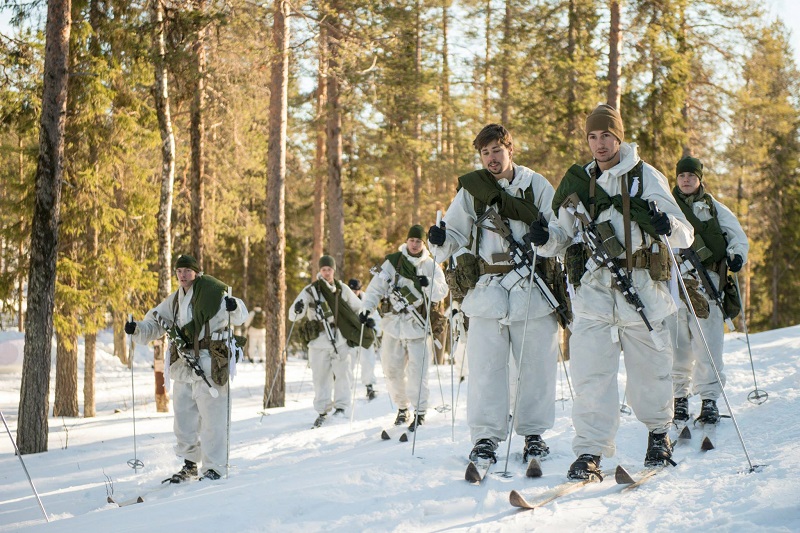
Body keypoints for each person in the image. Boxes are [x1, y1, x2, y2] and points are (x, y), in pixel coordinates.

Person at [529, 104, 694, 479]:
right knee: (590, 375)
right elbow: (561, 235)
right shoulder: (579, 182)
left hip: (642, 287)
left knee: (651, 370)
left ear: (618, 136)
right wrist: (544, 239)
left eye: (606, 135)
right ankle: (589, 450)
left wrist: (666, 224)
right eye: (592, 136)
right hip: (593, 291)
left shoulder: (643, 177)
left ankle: (658, 435)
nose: (599, 144)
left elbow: (684, 233)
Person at [427, 123, 561, 466]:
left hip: (532, 286)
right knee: (486, 368)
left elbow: (560, 230)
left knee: (535, 366)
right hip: (487, 289)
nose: (490, 158)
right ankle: (486, 437)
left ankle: (534, 435)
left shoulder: (536, 185)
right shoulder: (473, 190)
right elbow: (455, 232)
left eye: (496, 151)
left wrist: (546, 235)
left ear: (510, 149)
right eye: (485, 153)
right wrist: (440, 241)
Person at [125, 254, 248, 482]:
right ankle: (190, 464)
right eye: (179, 271)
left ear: (196, 272)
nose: (183, 275)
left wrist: (234, 305)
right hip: (183, 363)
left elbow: (239, 313)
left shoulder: (213, 293)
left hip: (210, 362)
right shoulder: (173, 301)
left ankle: (214, 468)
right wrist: (137, 329)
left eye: (187, 271)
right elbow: (155, 323)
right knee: (183, 419)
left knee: (213, 419)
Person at [667, 156, 748, 426]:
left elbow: (737, 237)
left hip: (707, 282)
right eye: (682, 176)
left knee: (708, 345)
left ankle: (709, 400)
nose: (686, 179)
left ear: (700, 178)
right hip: (673, 282)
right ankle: (679, 399)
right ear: (676, 179)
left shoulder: (714, 208)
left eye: (691, 175)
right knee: (675, 344)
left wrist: (737, 256)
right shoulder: (665, 207)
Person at [360, 225, 448, 432]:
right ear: (407, 241)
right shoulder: (394, 262)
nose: (415, 244)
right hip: (393, 325)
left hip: (418, 326)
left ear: (423, 243)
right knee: (391, 370)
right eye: (412, 240)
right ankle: (402, 408)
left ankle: (420, 411)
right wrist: (366, 308)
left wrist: (428, 284)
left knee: (418, 372)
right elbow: (375, 288)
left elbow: (441, 293)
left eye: (418, 241)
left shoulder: (431, 265)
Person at [289, 255, 372, 428]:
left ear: (334, 270)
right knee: (320, 377)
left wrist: (365, 318)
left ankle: (341, 407)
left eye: (329, 269)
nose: (326, 272)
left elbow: (358, 307)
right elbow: (294, 314)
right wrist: (297, 309)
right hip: (318, 342)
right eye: (323, 269)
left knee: (343, 374)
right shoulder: (310, 290)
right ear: (319, 271)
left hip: (339, 339)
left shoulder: (342, 288)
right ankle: (322, 410)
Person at [348, 279, 379, 401]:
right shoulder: (345, 300)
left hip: (365, 337)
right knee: (348, 364)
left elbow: (376, 317)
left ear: (360, 289)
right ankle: (346, 389)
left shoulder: (368, 301)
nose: (354, 292)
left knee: (367, 361)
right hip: (350, 336)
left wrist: (373, 325)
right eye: (352, 290)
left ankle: (369, 386)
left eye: (356, 290)